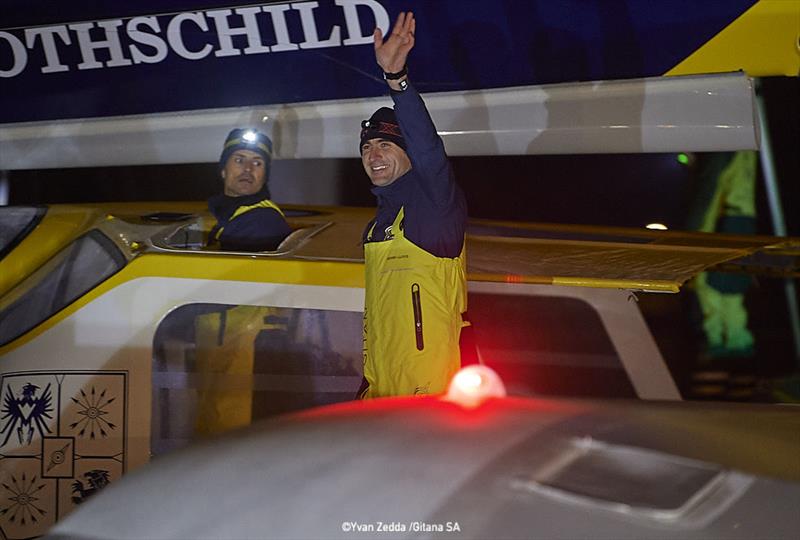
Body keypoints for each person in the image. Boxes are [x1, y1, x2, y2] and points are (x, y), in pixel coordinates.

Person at [358, 12, 468, 398]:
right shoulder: (378, 223)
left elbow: (429, 151)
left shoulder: (433, 206)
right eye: (367, 147)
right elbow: (379, 320)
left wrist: (397, 80)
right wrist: (367, 386)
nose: (374, 155)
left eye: (386, 145)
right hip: (381, 390)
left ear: (407, 155)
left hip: (428, 397)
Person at [207, 128, 291, 251]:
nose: (248, 169)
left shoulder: (262, 221)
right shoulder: (218, 211)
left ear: (265, 176)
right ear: (223, 170)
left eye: (257, 163)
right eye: (239, 160)